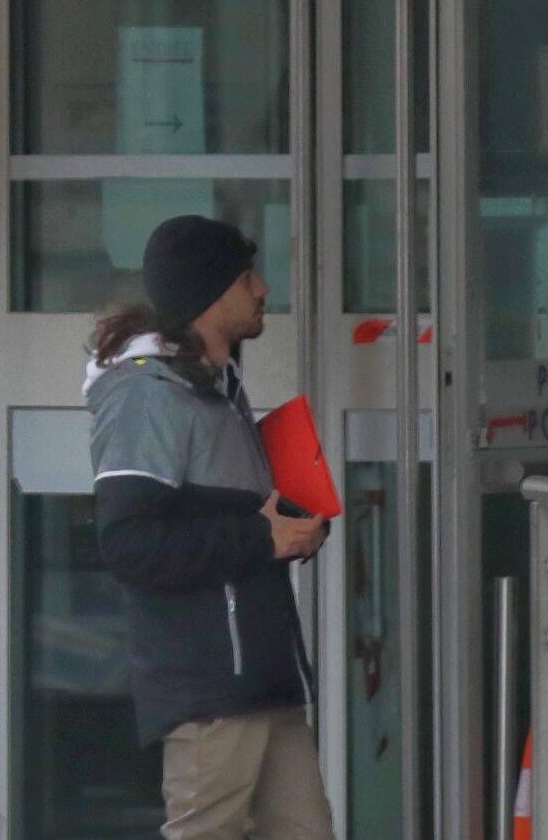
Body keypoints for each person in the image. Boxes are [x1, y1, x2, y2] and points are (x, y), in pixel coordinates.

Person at [86, 215, 332, 840]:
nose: (263, 290)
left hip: (262, 676)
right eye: (250, 277)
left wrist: (291, 529)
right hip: (211, 685)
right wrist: (261, 538)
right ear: (214, 290)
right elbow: (128, 544)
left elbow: (233, 525)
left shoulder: (215, 388)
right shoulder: (148, 395)